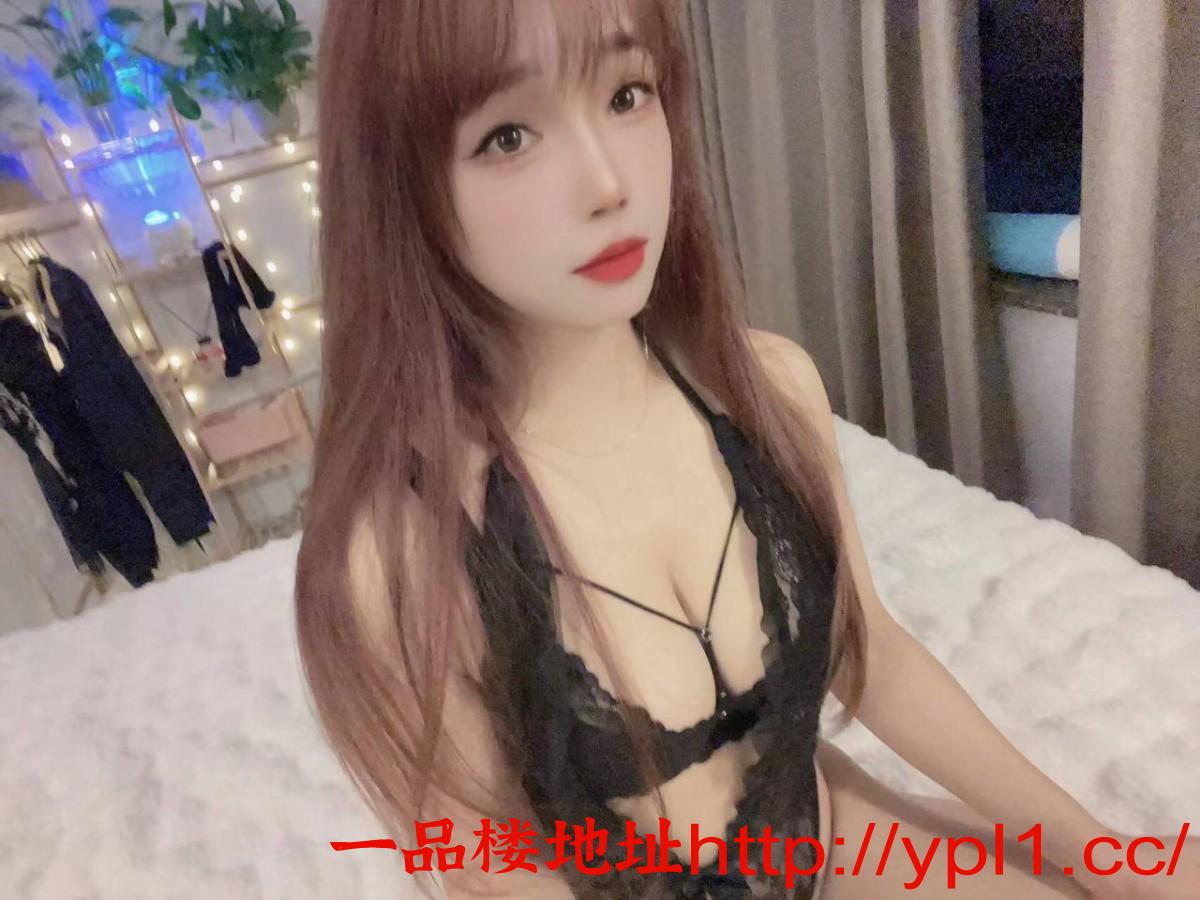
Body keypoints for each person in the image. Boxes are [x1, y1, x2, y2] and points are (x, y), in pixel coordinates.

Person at [294, 1, 1198, 898]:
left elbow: (869, 655)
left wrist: (1109, 858)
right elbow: (495, 875)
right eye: (508, 137)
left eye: (626, 95)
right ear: (403, 187)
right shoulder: (397, 560)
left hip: (825, 832)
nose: (608, 183)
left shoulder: (770, 391)